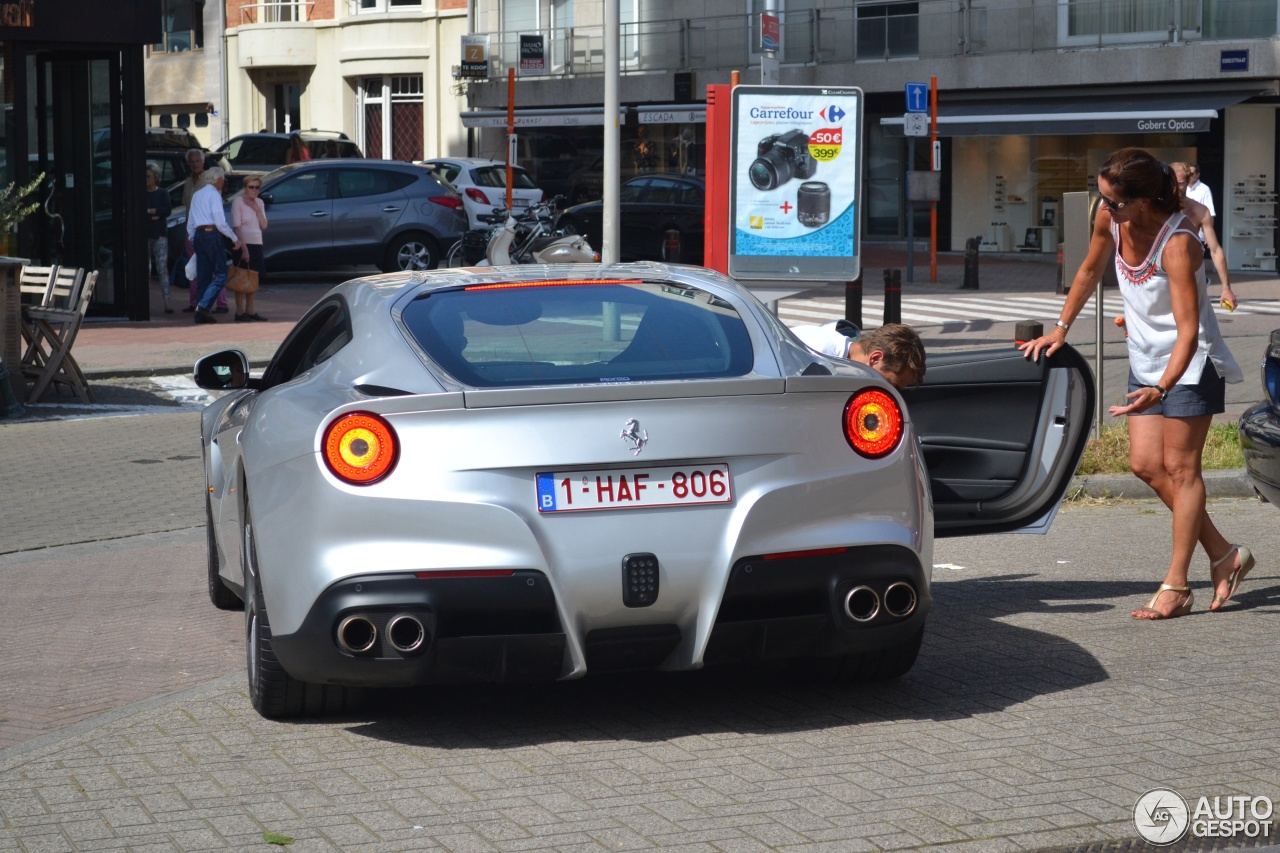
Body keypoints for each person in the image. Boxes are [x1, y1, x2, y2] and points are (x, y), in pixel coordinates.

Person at [1020, 147, 1250, 621]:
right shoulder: (1113, 222)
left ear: (1144, 200)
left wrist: (1164, 387)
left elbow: (1188, 331)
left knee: (1181, 469)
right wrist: (1061, 328)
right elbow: (1087, 270)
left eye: (1115, 202)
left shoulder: (1179, 242)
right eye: (1102, 199)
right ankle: (1226, 554)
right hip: (1144, 361)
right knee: (1145, 465)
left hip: (1189, 365)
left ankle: (1177, 584)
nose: (1105, 209)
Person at [1170, 161, 1237, 310]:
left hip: (1192, 274)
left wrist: (1226, 287)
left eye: (1180, 183)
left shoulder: (1199, 211)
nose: (1175, 188)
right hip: (1163, 278)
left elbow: (1215, 250)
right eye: (1172, 182)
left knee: (1199, 327)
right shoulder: (1156, 209)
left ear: (1188, 182)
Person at [792, 320, 926, 390]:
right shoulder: (817, 355)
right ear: (875, 358)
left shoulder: (835, 350)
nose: (890, 393)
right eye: (890, 384)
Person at [186, 167, 243, 325]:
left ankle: (201, 313)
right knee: (221, 274)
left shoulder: (197, 194)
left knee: (203, 276)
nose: (223, 182)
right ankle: (203, 307)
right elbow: (220, 222)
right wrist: (234, 238)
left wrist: (192, 236)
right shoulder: (214, 194)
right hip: (211, 234)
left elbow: (190, 220)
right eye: (223, 179)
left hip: (198, 235)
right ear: (219, 180)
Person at [177, 149, 229, 314]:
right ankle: (195, 303)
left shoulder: (210, 180)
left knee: (215, 269)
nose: (194, 165)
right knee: (194, 267)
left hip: (209, 231)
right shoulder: (187, 182)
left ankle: (221, 304)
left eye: (197, 161)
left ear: (203, 161)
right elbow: (187, 209)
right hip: (193, 231)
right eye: (191, 162)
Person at [231, 178, 269, 322]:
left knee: (254, 277)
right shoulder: (238, 202)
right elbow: (237, 226)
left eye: (257, 188)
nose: (254, 190)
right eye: (251, 187)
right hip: (243, 243)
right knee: (241, 276)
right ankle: (239, 311)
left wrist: (257, 209)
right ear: (245, 188)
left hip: (257, 242)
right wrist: (244, 248)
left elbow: (264, 225)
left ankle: (250, 309)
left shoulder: (259, 202)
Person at [144, 164, 174, 313]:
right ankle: (144, 301)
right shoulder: (142, 194)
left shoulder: (163, 193)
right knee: (146, 269)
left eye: (149, 176)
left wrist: (152, 212)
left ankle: (167, 301)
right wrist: (154, 214)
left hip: (160, 234)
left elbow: (167, 210)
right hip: (145, 234)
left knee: (162, 268)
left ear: (156, 177)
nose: (146, 179)